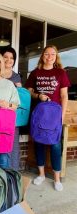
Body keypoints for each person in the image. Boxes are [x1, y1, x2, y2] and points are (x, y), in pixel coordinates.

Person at [25, 45, 71, 191]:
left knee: (55, 146)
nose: (49, 56)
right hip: (39, 115)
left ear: (56, 57)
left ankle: (57, 179)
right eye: (46, 54)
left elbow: (64, 96)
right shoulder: (35, 73)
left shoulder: (61, 73)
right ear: (42, 56)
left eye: (52, 54)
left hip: (55, 115)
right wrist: (38, 96)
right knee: (39, 143)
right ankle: (41, 174)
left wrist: (62, 116)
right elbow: (28, 92)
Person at [2, 47, 22, 171]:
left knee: (13, 147)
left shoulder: (16, 77)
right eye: (6, 57)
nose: (9, 60)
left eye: (12, 58)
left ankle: (13, 175)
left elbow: (20, 98)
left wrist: (19, 88)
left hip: (12, 117)